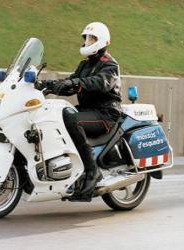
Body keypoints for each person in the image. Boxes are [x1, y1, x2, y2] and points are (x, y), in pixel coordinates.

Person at [35, 22, 122, 200]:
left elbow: (100, 82)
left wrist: (76, 83)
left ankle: (92, 172)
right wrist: (48, 85)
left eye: (92, 38)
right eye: (86, 38)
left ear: (102, 41)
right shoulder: (85, 65)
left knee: (72, 120)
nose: (87, 41)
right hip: (89, 110)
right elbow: (71, 83)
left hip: (106, 114)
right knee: (55, 115)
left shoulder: (110, 65)